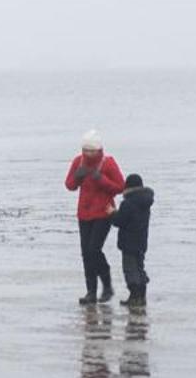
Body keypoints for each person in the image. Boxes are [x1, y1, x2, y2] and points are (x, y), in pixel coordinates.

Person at [65, 130, 126, 304]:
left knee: (94, 250)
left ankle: (107, 286)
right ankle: (91, 292)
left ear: (99, 150)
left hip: (104, 212)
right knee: (86, 253)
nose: (88, 154)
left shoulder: (108, 163)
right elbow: (69, 185)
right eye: (85, 150)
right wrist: (78, 177)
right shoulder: (78, 162)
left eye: (92, 150)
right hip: (84, 212)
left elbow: (120, 187)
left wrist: (101, 179)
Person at [109, 173, 154, 308]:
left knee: (130, 270)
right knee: (140, 268)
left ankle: (134, 297)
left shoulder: (128, 203)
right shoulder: (146, 202)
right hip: (141, 242)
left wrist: (112, 212)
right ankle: (141, 296)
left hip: (128, 243)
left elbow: (119, 221)